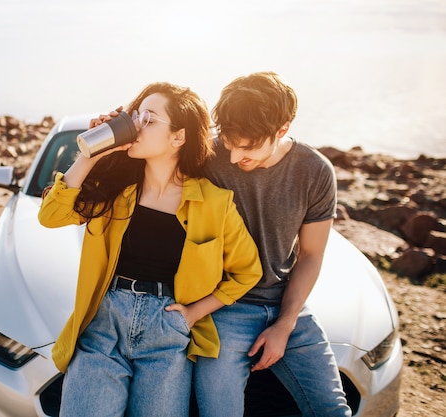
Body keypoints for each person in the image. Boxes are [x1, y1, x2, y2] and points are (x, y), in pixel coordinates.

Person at [38, 82, 262, 417]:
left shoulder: (215, 203)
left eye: (149, 119)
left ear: (178, 137)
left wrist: (194, 314)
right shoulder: (116, 190)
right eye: (136, 116)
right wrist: (92, 154)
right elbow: (51, 215)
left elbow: (248, 271)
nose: (137, 125)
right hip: (104, 326)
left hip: (167, 333)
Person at [194, 71, 352, 416]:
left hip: (287, 306)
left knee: (334, 410)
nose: (235, 157)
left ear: (282, 129)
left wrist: (285, 323)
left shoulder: (315, 171)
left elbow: (311, 254)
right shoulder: (206, 153)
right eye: (230, 143)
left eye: (248, 147)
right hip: (223, 309)